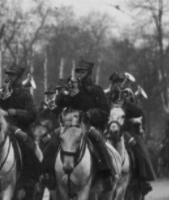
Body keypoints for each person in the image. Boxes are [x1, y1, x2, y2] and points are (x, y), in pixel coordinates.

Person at [42, 59, 116, 187]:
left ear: (88, 73)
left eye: (82, 72)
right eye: (78, 71)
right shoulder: (72, 88)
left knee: (98, 140)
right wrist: (65, 93)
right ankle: (47, 173)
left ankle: (107, 173)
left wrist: (89, 114)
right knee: (52, 142)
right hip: (70, 125)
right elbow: (60, 103)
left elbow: (104, 111)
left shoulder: (96, 90)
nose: (79, 74)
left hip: (89, 124)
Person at [0, 63, 41, 189]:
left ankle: (30, 179)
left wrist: (16, 112)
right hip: (1, 129)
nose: (8, 78)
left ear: (18, 77)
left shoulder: (25, 94)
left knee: (29, 148)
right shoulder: (1, 92)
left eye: (12, 75)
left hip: (21, 128)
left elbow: (33, 114)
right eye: (8, 74)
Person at [106, 72, 156, 192]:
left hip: (127, 130)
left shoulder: (125, 100)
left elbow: (138, 112)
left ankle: (143, 179)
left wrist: (126, 102)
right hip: (109, 128)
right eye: (115, 83)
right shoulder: (107, 97)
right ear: (111, 84)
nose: (118, 85)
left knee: (140, 150)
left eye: (119, 82)